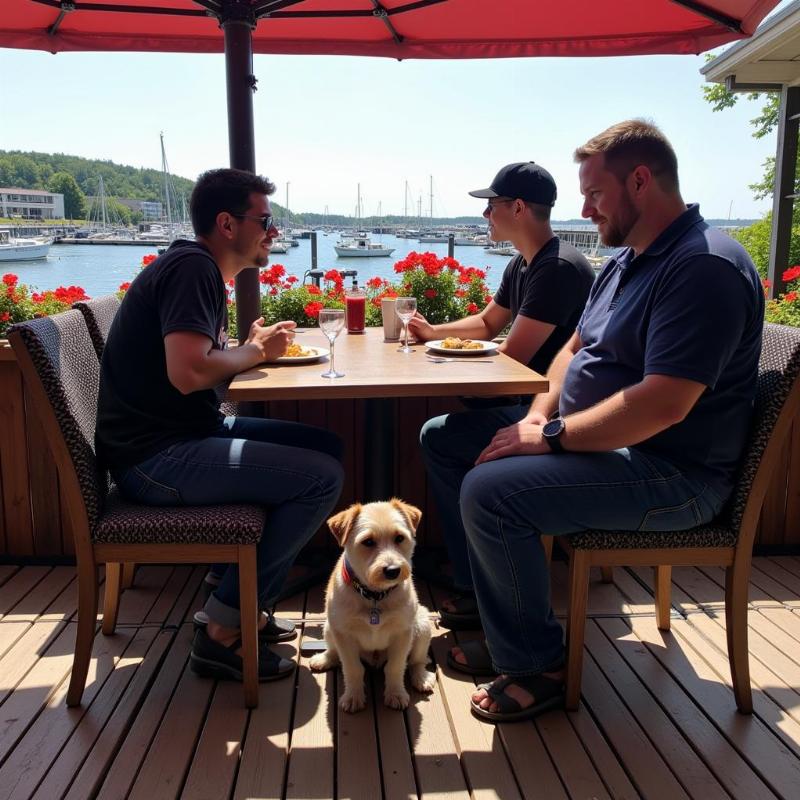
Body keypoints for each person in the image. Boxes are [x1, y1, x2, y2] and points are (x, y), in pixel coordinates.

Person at [443, 120, 764, 722]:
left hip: (675, 475)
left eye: (593, 193)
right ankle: (500, 618)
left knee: (490, 493)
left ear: (640, 181)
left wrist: (554, 436)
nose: (582, 208)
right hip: (609, 449)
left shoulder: (703, 268)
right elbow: (573, 351)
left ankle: (538, 664)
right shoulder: (627, 261)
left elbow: (664, 404)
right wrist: (540, 413)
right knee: (449, 441)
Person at [96, 168, 344, 682]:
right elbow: (187, 373)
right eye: (266, 221)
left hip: (177, 438)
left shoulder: (195, 268)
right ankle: (223, 627)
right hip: (155, 460)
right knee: (321, 477)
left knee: (327, 447)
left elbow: (197, 360)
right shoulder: (193, 270)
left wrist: (242, 348)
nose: (273, 232)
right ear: (228, 224)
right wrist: (253, 351)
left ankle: (234, 588)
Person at [416, 162, 595, 628]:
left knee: (441, 438)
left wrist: (441, 353)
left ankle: (478, 581)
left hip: (552, 415)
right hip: (527, 403)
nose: (486, 218)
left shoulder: (556, 268)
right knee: (443, 434)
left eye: (491, 207)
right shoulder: (525, 262)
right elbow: (488, 324)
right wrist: (433, 332)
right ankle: (472, 571)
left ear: (517, 208)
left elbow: (513, 355)